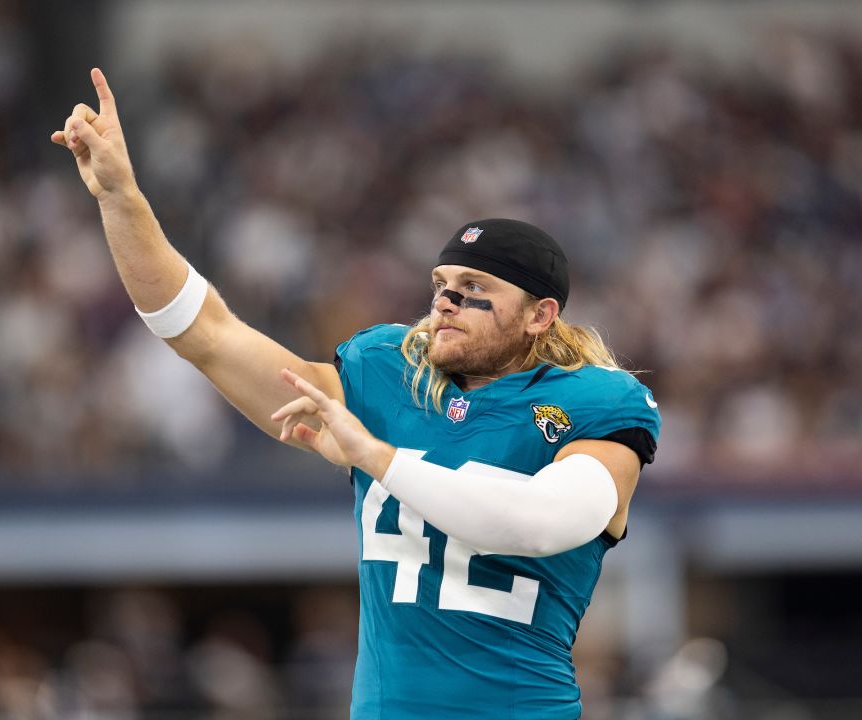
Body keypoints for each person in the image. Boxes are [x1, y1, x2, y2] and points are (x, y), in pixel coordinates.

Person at [52, 67, 661, 719]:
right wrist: (120, 197)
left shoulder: (597, 401)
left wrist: (375, 456)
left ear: (540, 316)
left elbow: (538, 523)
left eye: (476, 287)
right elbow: (205, 334)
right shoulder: (384, 372)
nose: (447, 300)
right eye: (442, 281)